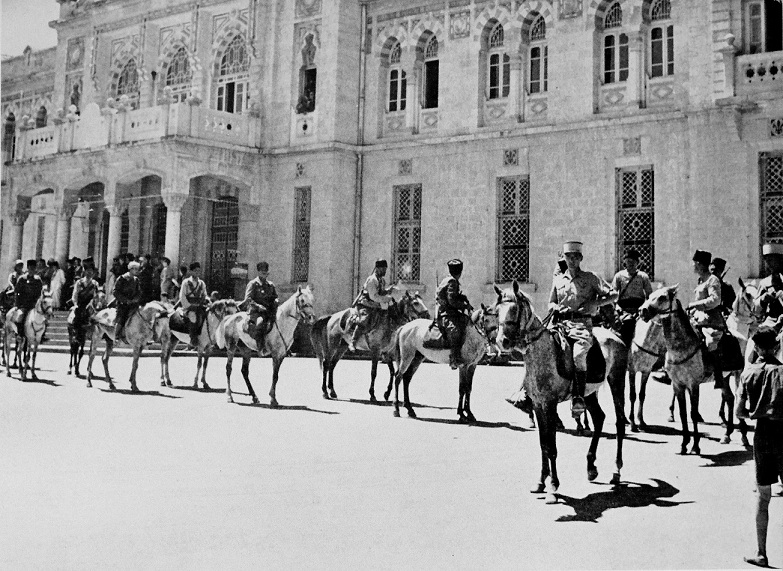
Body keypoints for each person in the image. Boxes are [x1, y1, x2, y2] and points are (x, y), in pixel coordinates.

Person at [550, 241, 617, 416]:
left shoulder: (591, 278)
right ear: (564, 259)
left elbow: (613, 294)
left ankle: (578, 398)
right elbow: (551, 302)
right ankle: (526, 393)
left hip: (581, 326)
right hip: (560, 325)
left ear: (581, 258)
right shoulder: (558, 280)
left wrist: (595, 303)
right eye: (568, 257)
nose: (572, 260)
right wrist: (554, 307)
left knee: (578, 356)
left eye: (575, 257)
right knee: (539, 348)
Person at [735, 327, 783, 568]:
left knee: (763, 495)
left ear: (755, 347)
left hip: (762, 434)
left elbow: (739, 412)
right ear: (776, 346)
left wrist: (756, 412)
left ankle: (761, 553)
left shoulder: (748, 373)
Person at [346, 259, 396, 352]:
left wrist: (387, 291)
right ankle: (353, 342)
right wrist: (386, 299)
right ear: (377, 269)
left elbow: (380, 292)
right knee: (364, 319)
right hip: (365, 304)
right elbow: (374, 296)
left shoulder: (381, 280)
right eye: (383, 269)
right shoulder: (372, 280)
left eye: (385, 269)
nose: (384, 271)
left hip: (375, 305)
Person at [611, 249, 653, 346]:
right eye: (628, 261)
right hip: (623, 309)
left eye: (633, 261)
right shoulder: (619, 276)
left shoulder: (643, 276)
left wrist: (643, 308)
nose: (631, 264)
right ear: (625, 262)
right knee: (626, 324)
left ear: (637, 263)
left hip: (639, 309)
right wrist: (617, 307)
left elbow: (649, 296)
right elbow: (613, 294)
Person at [436, 259, 472, 370]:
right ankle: (454, 358)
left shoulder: (448, 280)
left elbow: (453, 295)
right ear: (459, 272)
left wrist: (462, 297)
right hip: (447, 313)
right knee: (455, 331)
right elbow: (451, 300)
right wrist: (464, 306)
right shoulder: (452, 282)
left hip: (450, 311)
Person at [240, 262, 279, 348]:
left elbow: (275, 297)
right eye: (262, 271)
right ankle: (261, 347)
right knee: (260, 324)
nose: (264, 273)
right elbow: (248, 299)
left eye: (266, 271)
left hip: (270, 311)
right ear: (258, 272)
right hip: (256, 312)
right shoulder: (253, 284)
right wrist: (258, 307)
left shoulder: (270, 285)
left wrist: (276, 301)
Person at [753, 243, 783, 330]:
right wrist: (762, 300)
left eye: (771, 260)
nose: (768, 264)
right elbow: (756, 311)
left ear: (780, 259)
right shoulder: (765, 283)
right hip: (770, 324)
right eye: (766, 260)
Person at [179, 262, 208, 348]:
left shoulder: (202, 283)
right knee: (193, 317)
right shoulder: (186, 282)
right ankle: (193, 339)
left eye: (199, 270)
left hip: (200, 306)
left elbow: (205, 295)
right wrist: (189, 306)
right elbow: (182, 296)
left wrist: (206, 301)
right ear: (191, 271)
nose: (197, 272)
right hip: (190, 307)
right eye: (195, 271)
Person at [113, 261, 142, 343]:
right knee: (121, 318)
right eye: (134, 269)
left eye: (137, 269)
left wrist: (136, 299)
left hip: (134, 304)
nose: (136, 270)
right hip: (123, 304)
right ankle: (116, 335)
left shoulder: (136, 280)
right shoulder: (122, 278)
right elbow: (115, 292)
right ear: (130, 269)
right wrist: (125, 300)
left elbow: (139, 292)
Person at [12, 260, 44, 334]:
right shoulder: (22, 279)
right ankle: (19, 334)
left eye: (33, 268)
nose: (32, 270)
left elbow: (40, 293)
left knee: (43, 319)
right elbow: (17, 292)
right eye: (30, 268)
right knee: (20, 317)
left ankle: (42, 335)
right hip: (24, 305)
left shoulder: (38, 280)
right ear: (28, 268)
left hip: (34, 305)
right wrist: (17, 305)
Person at [71, 260, 99, 330]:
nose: (89, 273)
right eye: (87, 271)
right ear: (84, 271)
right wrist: (75, 304)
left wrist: (95, 303)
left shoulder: (95, 284)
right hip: (80, 306)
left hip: (91, 306)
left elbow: (96, 296)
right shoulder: (79, 283)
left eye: (91, 271)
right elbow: (75, 295)